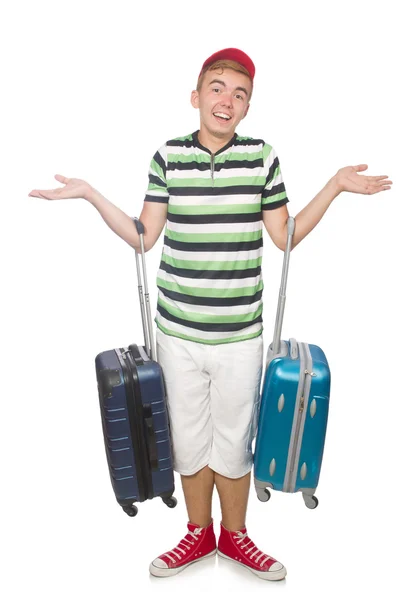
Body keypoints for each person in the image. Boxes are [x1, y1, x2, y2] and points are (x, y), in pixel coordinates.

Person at [28, 48, 392, 581]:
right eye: (218, 89)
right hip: (177, 333)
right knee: (190, 439)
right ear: (197, 97)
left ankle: (236, 537)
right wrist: (89, 195)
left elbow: (284, 236)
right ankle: (199, 534)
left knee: (235, 440)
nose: (227, 100)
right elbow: (142, 237)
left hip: (240, 335)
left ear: (247, 108)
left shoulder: (263, 158)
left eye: (239, 94)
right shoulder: (168, 157)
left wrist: (334, 186)